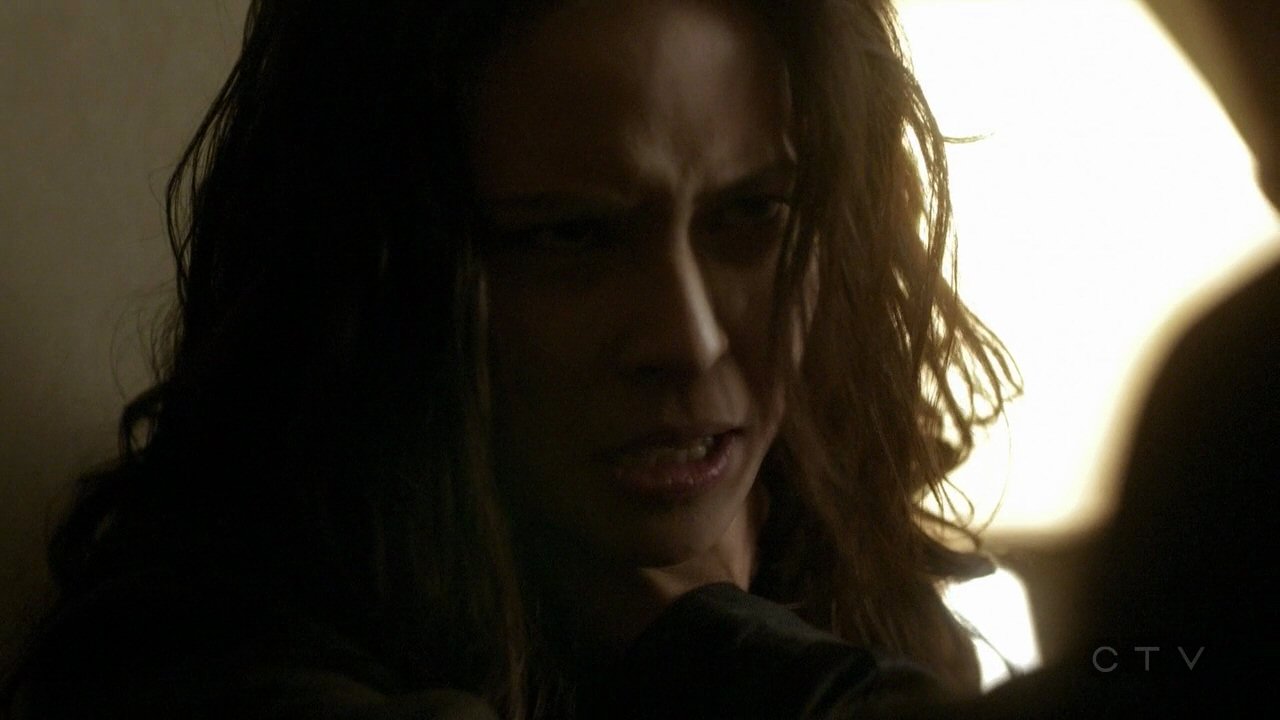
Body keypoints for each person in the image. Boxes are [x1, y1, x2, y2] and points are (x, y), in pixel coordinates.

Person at [1, 1, 1017, 717]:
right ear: (387, 274)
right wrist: (714, 655)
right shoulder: (203, 660)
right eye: (571, 237)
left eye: (751, 217)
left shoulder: (854, 581)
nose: (688, 340)